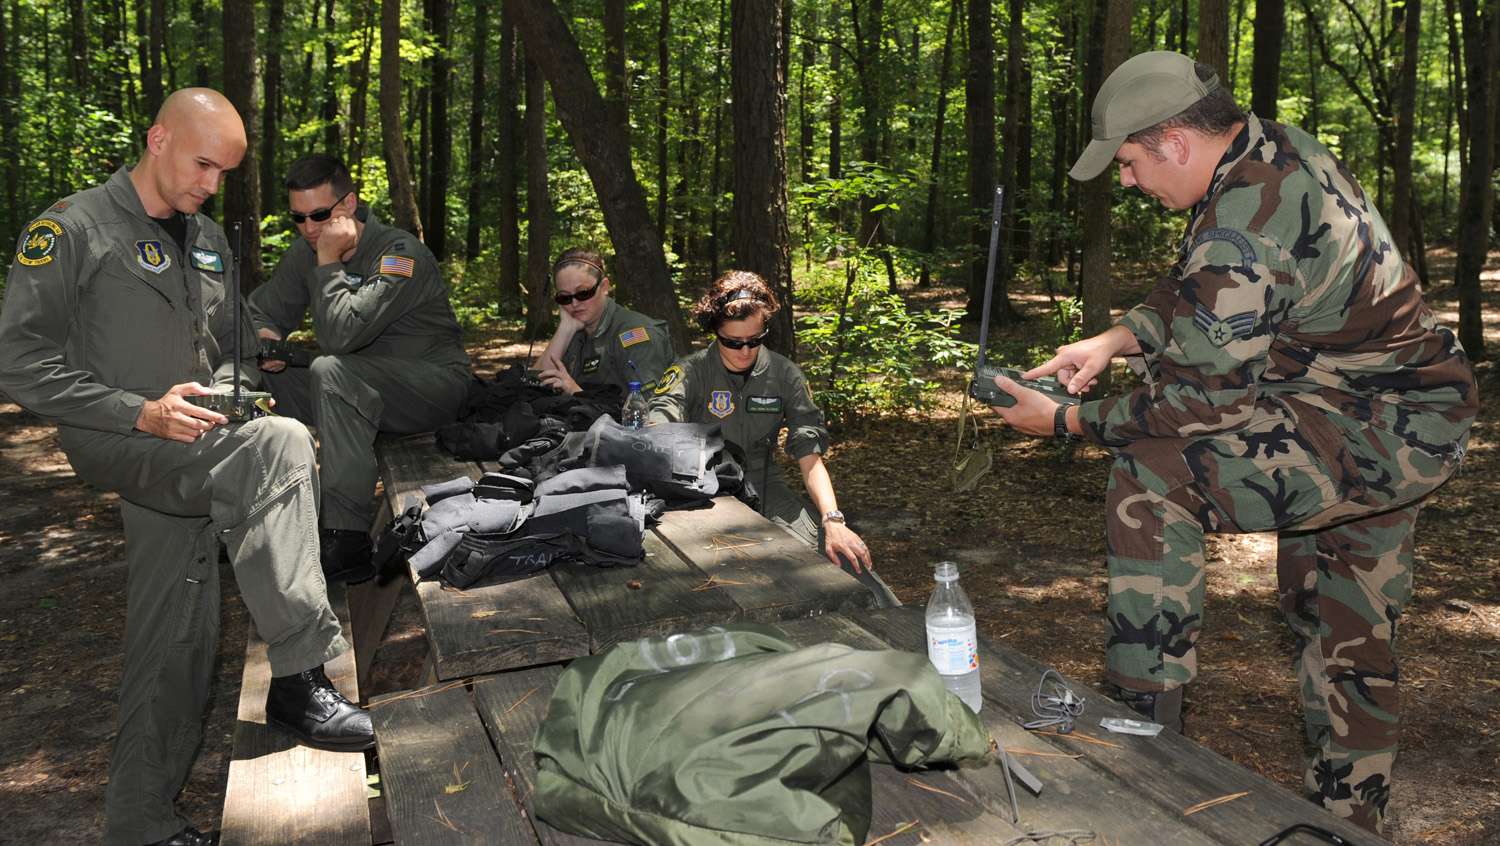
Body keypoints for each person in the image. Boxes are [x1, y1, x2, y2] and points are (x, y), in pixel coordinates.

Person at [989, 52, 1477, 834]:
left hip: (1378, 428)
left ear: (1178, 142)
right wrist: (1117, 339)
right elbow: (1196, 287)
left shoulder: (1241, 225)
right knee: (1343, 621)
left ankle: (1141, 749)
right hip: (1399, 407)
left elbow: (1202, 404)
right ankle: (1352, 823)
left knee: (1152, 478)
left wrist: (1064, 422)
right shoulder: (1265, 151)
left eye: (1129, 162)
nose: (1127, 181)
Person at [0, 90, 373, 846]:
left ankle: (140, 823)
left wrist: (235, 386)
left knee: (175, 630)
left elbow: (233, 346)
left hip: (199, 440)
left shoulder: (206, 238)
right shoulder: (73, 228)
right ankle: (301, 678)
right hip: (123, 438)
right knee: (280, 445)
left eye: (225, 172)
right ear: (158, 138)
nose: (211, 183)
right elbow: (18, 360)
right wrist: (139, 411)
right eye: (203, 163)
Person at [249, 153, 471, 583]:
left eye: (320, 215)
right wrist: (264, 337)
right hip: (361, 391)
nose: (310, 229)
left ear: (349, 204)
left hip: (432, 388)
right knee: (262, 374)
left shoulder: (399, 254)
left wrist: (328, 260)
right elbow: (258, 312)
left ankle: (345, 536)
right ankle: (262, 510)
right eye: (298, 218)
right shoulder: (306, 251)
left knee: (331, 370)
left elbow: (340, 337)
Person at [648, 271, 874, 575]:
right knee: (718, 569)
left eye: (755, 341)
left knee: (839, 562)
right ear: (715, 332)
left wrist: (833, 520)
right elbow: (660, 420)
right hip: (705, 485)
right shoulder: (691, 371)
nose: (745, 351)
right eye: (733, 342)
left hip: (764, 483)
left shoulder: (785, 374)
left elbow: (810, 457)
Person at [532, 248, 675, 395]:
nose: (574, 304)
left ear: (604, 287)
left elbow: (651, 404)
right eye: (564, 298)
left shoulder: (634, 335)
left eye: (583, 293)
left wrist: (577, 393)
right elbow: (534, 388)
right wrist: (565, 328)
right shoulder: (576, 333)